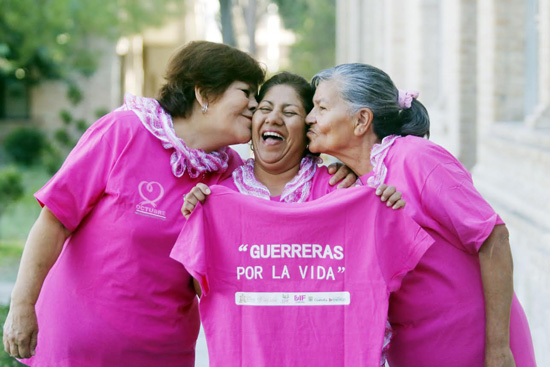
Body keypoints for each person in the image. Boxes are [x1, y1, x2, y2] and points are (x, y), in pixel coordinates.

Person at [1, 40, 267, 367]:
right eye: (246, 92)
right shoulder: (124, 131)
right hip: (75, 348)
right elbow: (54, 220)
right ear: (204, 93)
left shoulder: (232, 175)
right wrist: (22, 306)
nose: (256, 105)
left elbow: (222, 277)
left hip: (163, 354)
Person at [304, 63, 536, 367]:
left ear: (361, 120)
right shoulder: (353, 184)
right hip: (415, 352)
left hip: (478, 346)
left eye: (321, 107)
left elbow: (494, 238)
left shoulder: (416, 158)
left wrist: (498, 349)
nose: (310, 118)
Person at [178, 72, 412, 367]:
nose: (273, 118)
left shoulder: (343, 191)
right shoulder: (218, 198)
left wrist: (383, 205)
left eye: (289, 112)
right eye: (265, 109)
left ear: (308, 129)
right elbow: (207, 290)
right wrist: (201, 218)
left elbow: (379, 277)